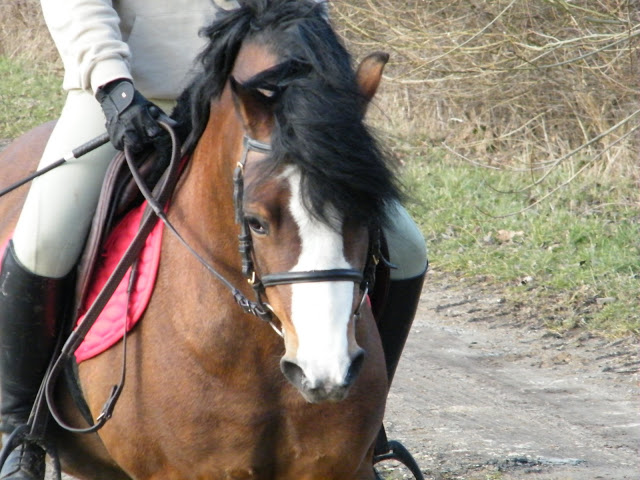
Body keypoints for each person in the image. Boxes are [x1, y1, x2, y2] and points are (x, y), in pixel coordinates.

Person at [0, 1, 427, 479]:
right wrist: (110, 81)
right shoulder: (122, 87)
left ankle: (369, 427)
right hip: (140, 93)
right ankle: (21, 428)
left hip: (267, 99)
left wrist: (318, 80)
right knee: (46, 235)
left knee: (406, 248)